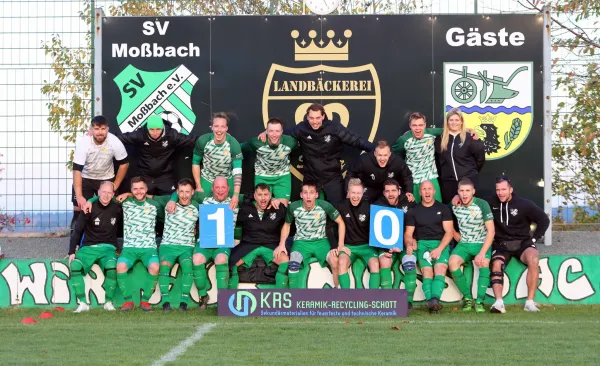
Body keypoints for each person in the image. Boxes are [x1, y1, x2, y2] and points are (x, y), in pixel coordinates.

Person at [85, 177, 177, 312]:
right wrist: (89, 200)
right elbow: (105, 197)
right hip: (129, 248)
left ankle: (145, 302)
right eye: (135, 189)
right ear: (131, 190)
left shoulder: (155, 204)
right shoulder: (125, 202)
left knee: (155, 267)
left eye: (141, 188)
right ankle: (128, 301)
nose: (138, 191)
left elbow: (176, 194)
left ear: (146, 189)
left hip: (148, 248)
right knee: (120, 266)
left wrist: (174, 200)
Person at [260, 103, 375, 204]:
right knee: (309, 211)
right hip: (311, 178)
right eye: (311, 118)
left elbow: (356, 140)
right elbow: (281, 133)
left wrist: (376, 150)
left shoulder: (334, 127)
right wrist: (268, 132)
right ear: (307, 117)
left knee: (338, 210)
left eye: (317, 118)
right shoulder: (302, 128)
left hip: (332, 177)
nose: (314, 121)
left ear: (323, 116)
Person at [489, 176, 550, 313]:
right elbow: (473, 202)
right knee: (496, 263)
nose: (500, 193)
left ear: (511, 189)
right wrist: (457, 198)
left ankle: (529, 302)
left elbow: (544, 220)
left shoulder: (524, 204)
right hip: (502, 244)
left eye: (504, 189)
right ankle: (499, 303)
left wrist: (535, 239)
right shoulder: (490, 202)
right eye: (498, 190)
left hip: (523, 243)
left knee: (533, 258)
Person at [275, 181, 345, 288]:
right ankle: (295, 298)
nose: (308, 196)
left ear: (316, 195)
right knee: (293, 264)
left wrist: (340, 244)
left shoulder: (324, 205)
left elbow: (340, 222)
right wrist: (281, 244)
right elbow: (287, 225)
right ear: (301, 195)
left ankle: (337, 293)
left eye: (311, 192)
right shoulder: (293, 207)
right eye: (305, 192)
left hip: (321, 242)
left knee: (335, 261)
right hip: (301, 242)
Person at [189, 177, 243, 309]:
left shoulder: (235, 201)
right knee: (196, 259)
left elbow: (258, 195)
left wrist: (275, 199)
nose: (220, 191)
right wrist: (173, 200)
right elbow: (181, 191)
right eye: (217, 187)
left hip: (222, 244)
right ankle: (203, 296)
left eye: (223, 187)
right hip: (206, 242)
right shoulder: (204, 201)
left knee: (221, 258)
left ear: (228, 189)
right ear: (212, 188)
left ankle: (223, 299)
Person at [68, 181, 121, 313]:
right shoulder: (88, 207)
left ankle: (108, 302)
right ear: (98, 192)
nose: (106, 195)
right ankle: (83, 303)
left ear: (113, 194)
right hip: (88, 247)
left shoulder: (118, 207)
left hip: (108, 248)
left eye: (109, 192)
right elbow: (78, 229)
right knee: (75, 265)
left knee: (111, 267)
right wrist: (71, 251)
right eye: (103, 192)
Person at [404, 180, 454, 313]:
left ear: (434, 191)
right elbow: (408, 234)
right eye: (424, 189)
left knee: (441, 268)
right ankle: (432, 304)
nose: (427, 192)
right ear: (420, 192)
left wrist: (439, 249)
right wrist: (409, 244)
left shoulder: (443, 208)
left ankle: (434, 301)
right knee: (427, 272)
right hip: (423, 245)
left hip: (440, 243)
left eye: (429, 189)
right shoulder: (413, 211)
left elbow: (449, 233)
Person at [71, 115, 129, 232]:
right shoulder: (83, 144)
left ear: (107, 129)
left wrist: (115, 185)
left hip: (106, 178)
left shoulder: (114, 142)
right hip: (85, 177)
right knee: (79, 208)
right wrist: (80, 195)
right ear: (92, 130)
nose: (100, 132)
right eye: (97, 129)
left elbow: (125, 164)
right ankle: (75, 241)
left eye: (103, 129)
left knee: (111, 208)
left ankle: (111, 240)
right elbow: (76, 170)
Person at [118, 114, 197, 195]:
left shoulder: (172, 135)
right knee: (141, 201)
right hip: (145, 176)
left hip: (165, 176)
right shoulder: (140, 135)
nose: (155, 133)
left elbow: (193, 140)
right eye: (151, 129)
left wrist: (208, 139)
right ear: (147, 129)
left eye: (158, 129)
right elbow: (119, 138)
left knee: (171, 202)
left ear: (162, 127)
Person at [228, 183, 288, 289]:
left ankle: (281, 297)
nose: (263, 198)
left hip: (270, 244)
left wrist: (281, 244)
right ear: (255, 196)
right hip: (249, 244)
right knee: (231, 263)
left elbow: (289, 223)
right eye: (259, 194)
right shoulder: (246, 208)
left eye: (266, 194)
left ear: (270, 196)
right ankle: (229, 297)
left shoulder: (278, 208)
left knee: (286, 262)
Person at [157, 178, 204, 312]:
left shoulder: (197, 205)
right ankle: (166, 302)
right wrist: (172, 199)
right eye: (181, 192)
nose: (184, 195)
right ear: (176, 192)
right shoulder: (168, 202)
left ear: (192, 192)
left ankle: (183, 302)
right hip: (168, 245)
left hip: (187, 246)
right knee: (164, 267)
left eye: (187, 192)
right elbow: (146, 196)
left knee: (188, 267)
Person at [448, 178, 495, 313]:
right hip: (464, 244)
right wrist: (454, 233)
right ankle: (468, 298)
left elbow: (491, 231)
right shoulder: (454, 204)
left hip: (481, 243)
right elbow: (442, 216)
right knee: (452, 263)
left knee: (484, 263)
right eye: (461, 191)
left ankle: (479, 300)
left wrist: (482, 253)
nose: (464, 194)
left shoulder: (482, 204)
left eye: (467, 191)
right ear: (458, 192)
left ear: (473, 191)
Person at [374, 179, 417, 304]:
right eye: (387, 191)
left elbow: (412, 228)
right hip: (386, 245)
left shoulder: (408, 202)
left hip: (404, 242)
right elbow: (377, 233)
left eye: (393, 190)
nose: (390, 194)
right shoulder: (378, 206)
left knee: (410, 262)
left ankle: (408, 301)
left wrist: (410, 243)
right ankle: (388, 301)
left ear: (399, 191)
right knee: (384, 261)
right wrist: (388, 248)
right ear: (383, 193)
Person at [335, 179, 380, 289]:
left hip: (366, 247)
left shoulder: (369, 207)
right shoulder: (341, 206)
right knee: (341, 262)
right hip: (349, 247)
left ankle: (373, 300)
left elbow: (377, 229)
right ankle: (346, 300)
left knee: (375, 264)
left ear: (362, 193)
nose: (355, 196)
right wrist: (336, 245)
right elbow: (331, 227)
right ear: (348, 193)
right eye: (353, 193)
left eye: (358, 193)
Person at [192, 112, 243, 208]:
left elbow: (237, 171)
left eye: (222, 127)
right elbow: (195, 162)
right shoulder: (203, 140)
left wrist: (235, 195)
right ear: (211, 127)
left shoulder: (233, 143)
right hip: (208, 178)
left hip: (227, 178)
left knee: (233, 202)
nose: (219, 130)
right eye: (216, 126)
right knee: (200, 200)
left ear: (226, 128)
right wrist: (198, 186)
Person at [436, 108, 485, 204]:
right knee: (451, 212)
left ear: (461, 122)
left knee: (469, 212)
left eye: (457, 120)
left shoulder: (470, 138)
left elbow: (480, 159)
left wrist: (470, 173)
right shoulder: (440, 140)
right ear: (447, 122)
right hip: (448, 183)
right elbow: (438, 162)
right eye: (451, 120)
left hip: (468, 182)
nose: (454, 123)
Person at [242, 118, 297, 205]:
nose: (274, 134)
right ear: (266, 131)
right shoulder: (257, 142)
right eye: (271, 131)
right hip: (262, 176)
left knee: (282, 206)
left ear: (282, 131)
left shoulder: (290, 142)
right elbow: (240, 148)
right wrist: (227, 140)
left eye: (277, 131)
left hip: (282, 177)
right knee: (263, 205)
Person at [392, 112, 443, 203]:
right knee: (415, 210)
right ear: (410, 126)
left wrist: (470, 130)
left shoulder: (431, 133)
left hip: (430, 177)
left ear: (425, 125)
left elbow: (452, 130)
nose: (418, 128)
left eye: (420, 125)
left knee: (436, 208)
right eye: (414, 125)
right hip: (413, 180)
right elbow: (391, 153)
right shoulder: (404, 139)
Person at [346, 140, 414, 203]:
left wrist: (409, 191)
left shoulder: (397, 161)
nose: (382, 159)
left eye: (385, 155)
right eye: (380, 155)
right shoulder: (364, 160)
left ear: (390, 154)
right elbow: (351, 173)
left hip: (389, 189)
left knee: (405, 200)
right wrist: (348, 190)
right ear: (375, 154)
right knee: (359, 200)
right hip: (370, 187)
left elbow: (407, 176)